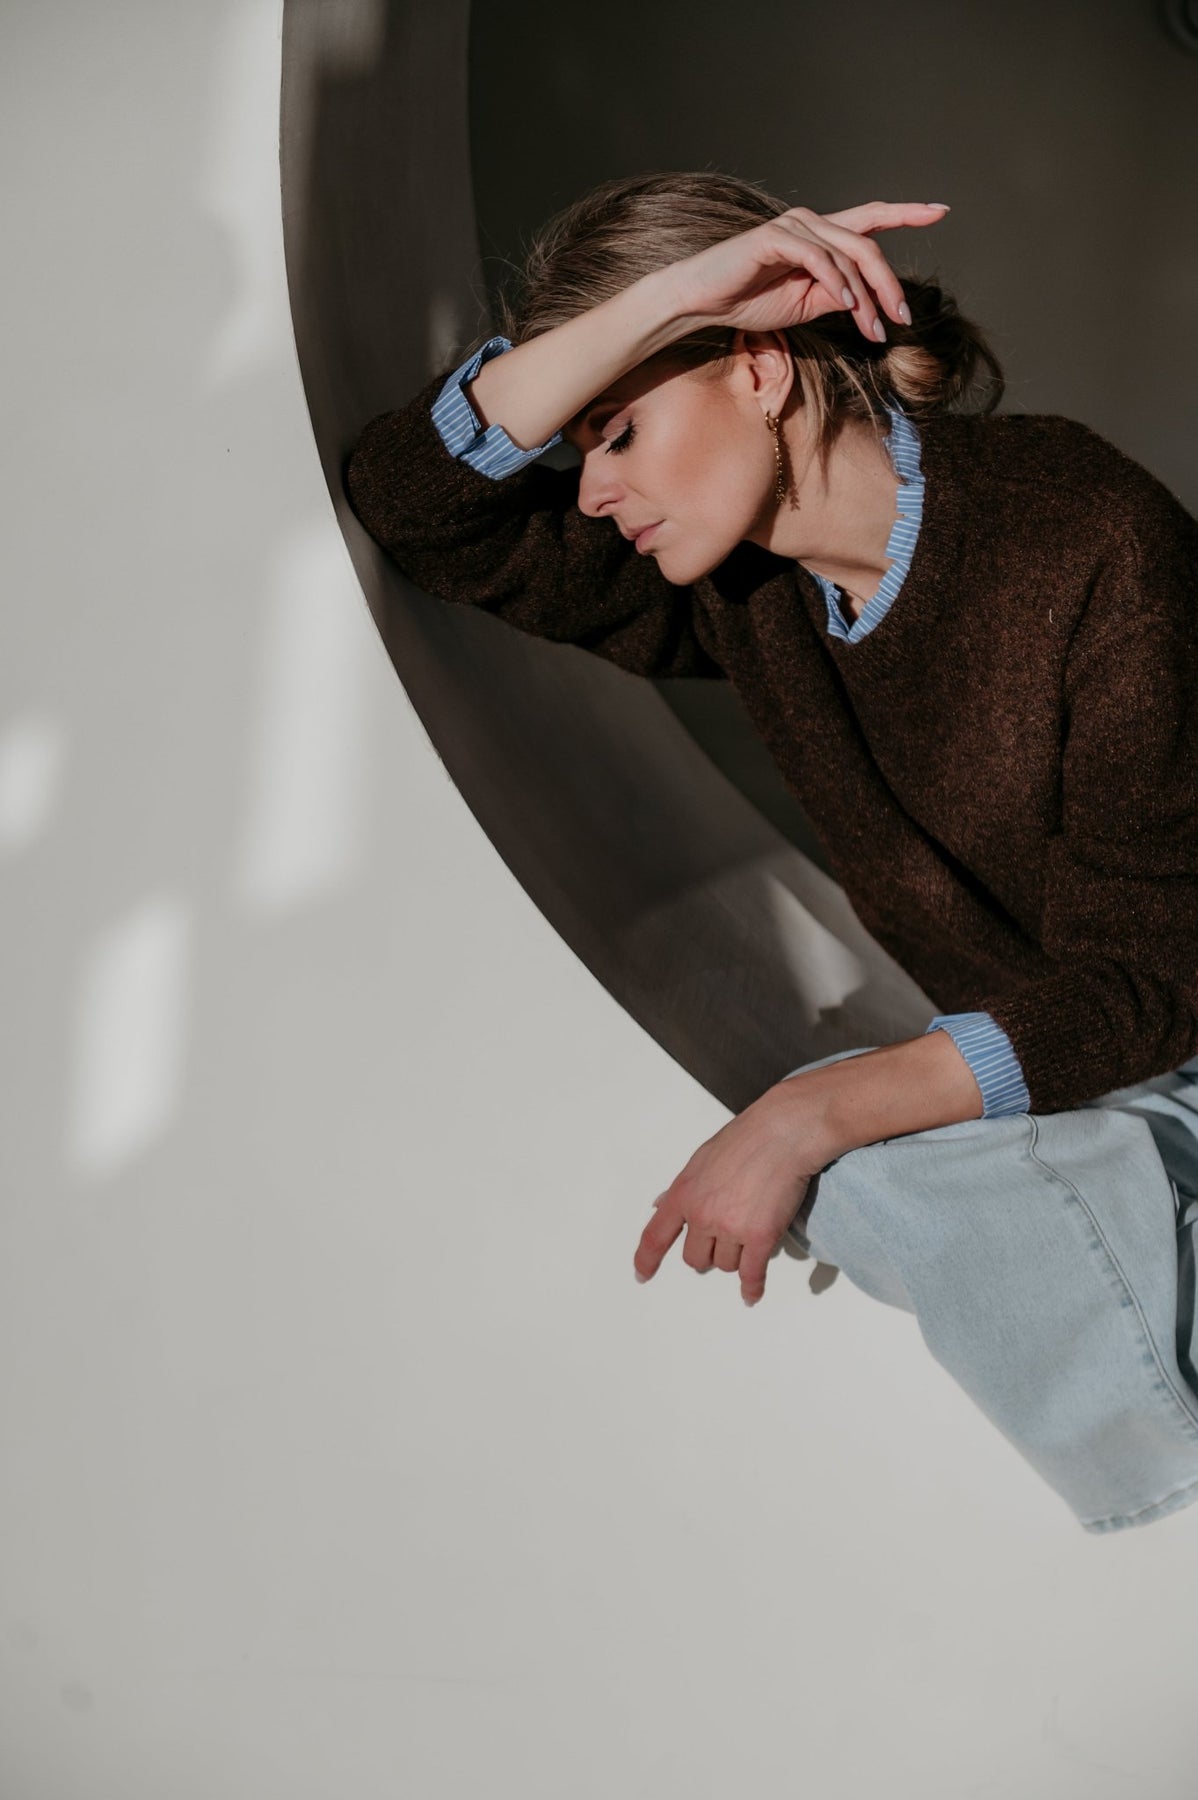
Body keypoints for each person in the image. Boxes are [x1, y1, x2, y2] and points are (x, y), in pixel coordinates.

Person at [343, 170, 1198, 1534]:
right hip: (1082, 1089)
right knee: (864, 1188)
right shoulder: (746, 585)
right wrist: (663, 303)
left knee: (831, 1139)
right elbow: (414, 504)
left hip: (1168, 1042)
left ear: (759, 370)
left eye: (619, 432)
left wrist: (813, 1109)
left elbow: (1156, 978)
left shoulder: (1085, 535)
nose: (595, 491)